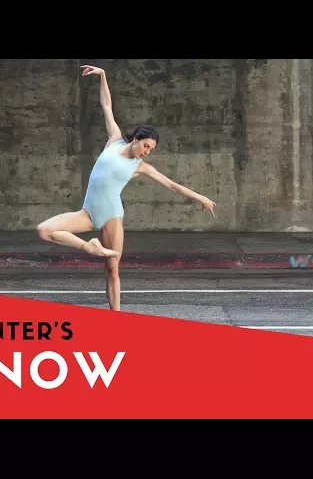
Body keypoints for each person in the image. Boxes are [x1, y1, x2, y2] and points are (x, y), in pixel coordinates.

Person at [36, 64, 216, 311]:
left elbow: (172, 185)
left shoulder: (140, 167)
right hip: (87, 214)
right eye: (146, 146)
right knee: (44, 230)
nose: (147, 151)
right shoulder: (114, 140)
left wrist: (201, 198)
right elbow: (107, 106)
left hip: (111, 217)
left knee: (112, 270)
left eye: (151, 150)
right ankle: (89, 246)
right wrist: (103, 75)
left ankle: (117, 317)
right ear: (136, 139)